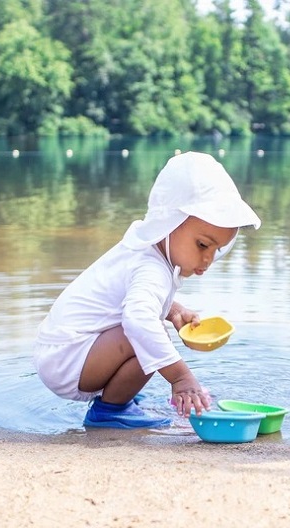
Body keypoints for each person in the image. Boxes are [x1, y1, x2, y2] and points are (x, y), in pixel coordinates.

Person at [33, 151, 261, 429]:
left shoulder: (145, 250)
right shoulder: (150, 268)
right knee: (147, 333)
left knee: (149, 332)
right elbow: (138, 320)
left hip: (65, 353)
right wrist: (181, 378)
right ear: (169, 223)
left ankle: (121, 391)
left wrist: (174, 309)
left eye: (217, 250)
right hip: (69, 361)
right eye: (202, 245)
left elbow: (129, 299)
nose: (207, 260)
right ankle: (110, 410)